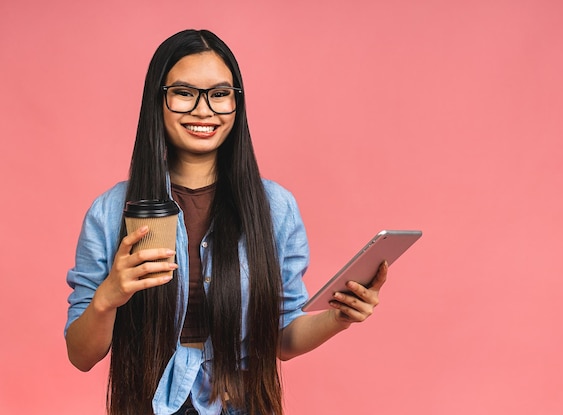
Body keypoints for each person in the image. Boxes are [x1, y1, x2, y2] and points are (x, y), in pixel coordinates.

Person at [64, 29, 387, 415]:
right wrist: (108, 297)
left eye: (219, 94)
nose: (204, 110)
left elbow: (283, 335)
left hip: (243, 405)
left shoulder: (274, 208)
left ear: (237, 103)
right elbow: (81, 355)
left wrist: (340, 317)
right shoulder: (110, 211)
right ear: (158, 101)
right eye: (184, 93)